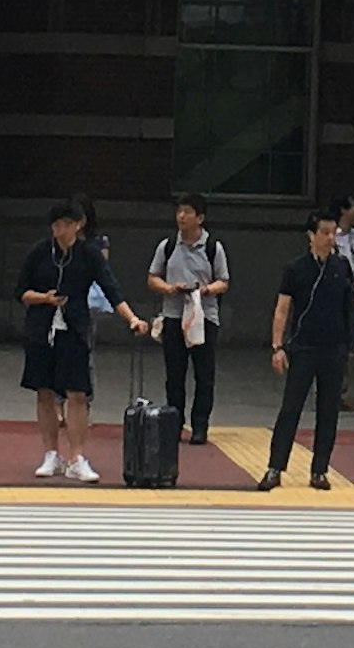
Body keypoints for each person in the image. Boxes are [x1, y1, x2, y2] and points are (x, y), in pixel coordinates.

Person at [18, 199, 131, 481]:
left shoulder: (89, 254)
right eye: (56, 225)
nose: (60, 230)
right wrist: (44, 298)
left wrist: (132, 319)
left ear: (78, 224)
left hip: (75, 326)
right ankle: (51, 454)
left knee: (77, 393)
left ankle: (77, 457)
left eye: (66, 224)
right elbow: (21, 291)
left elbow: (111, 288)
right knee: (44, 391)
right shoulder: (40, 252)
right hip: (41, 327)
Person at [262, 205, 354, 489]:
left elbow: (352, 304)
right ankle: (275, 467)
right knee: (291, 407)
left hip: (335, 348)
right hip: (304, 347)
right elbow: (282, 309)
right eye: (325, 233)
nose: (330, 238)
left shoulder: (342, 266)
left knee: (329, 410)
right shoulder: (296, 268)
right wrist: (277, 346)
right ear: (311, 235)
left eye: (334, 233)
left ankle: (320, 470)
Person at [144, 197, 228, 444]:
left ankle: (200, 425)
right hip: (173, 316)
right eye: (179, 211)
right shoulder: (168, 246)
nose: (181, 216)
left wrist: (206, 290)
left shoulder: (213, 247)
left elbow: (224, 281)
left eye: (187, 212)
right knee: (174, 374)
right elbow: (152, 277)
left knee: (204, 374)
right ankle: (174, 422)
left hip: (203, 318)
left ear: (200, 218)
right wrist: (169, 288)